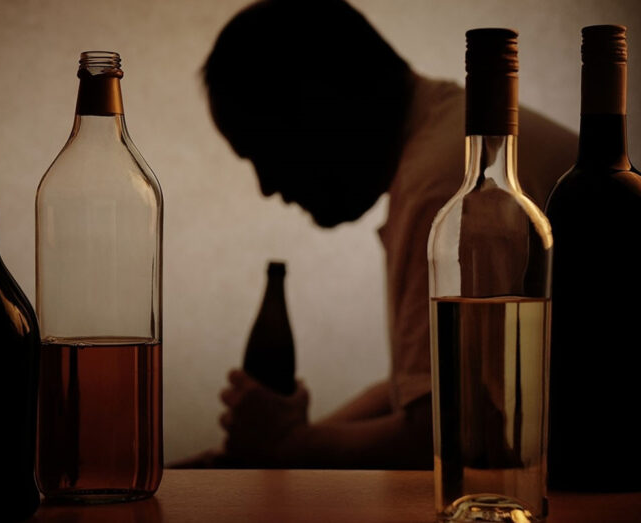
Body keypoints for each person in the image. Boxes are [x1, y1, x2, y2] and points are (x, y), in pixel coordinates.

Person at [192, 0, 576, 469]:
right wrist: (286, 439)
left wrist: (290, 446)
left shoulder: (445, 183)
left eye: (263, 149)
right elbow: (425, 393)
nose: (267, 185)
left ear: (317, 104)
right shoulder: (446, 137)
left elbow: (451, 434)